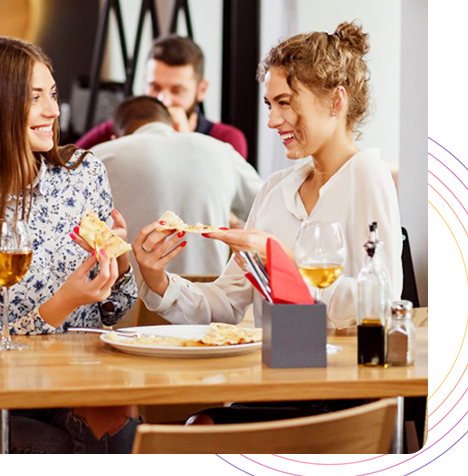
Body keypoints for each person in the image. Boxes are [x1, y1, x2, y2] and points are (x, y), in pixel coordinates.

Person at [0, 36, 139, 454]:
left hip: (75, 389)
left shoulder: (84, 176)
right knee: (65, 456)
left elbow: (112, 314)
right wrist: (64, 301)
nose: (53, 110)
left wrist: (119, 272)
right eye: (35, 99)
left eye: (52, 94)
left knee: (129, 436)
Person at [133, 21, 403, 332]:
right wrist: (158, 280)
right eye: (270, 105)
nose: (273, 121)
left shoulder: (365, 173)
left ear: (336, 101)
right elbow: (225, 304)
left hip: (340, 375)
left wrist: (281, 259)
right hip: (272, 372)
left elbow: (381, 303)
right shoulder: (276, 188)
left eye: (285, 103)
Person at [91, 96, 263, 276]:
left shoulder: (100, 156)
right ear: (174, 126)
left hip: (130, 296)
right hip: (209, 296)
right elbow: (267, 210)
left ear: (115, 137)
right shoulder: (222, 151)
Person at [76, 34, 249, 159]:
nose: (163, 100)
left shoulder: (226, 141)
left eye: (177, 90)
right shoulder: (117, 130)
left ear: (201, 90)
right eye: (155, 87)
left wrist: (185, 142)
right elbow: (65, 168)